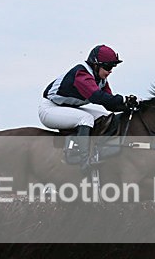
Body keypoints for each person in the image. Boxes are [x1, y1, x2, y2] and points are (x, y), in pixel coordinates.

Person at [40, 45, 138, 174]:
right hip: (50, 109)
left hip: (66, 107)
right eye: (108, 67)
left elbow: (110, 105)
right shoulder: (82, 74)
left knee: (105, 116)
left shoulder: (101, 80)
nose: (110, 71)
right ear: (96, 65)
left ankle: (99, 150)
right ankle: (83, 161)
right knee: (86, 119)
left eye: (113, 67)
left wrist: (131, 105)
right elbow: (97, 97)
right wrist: (123, 99)